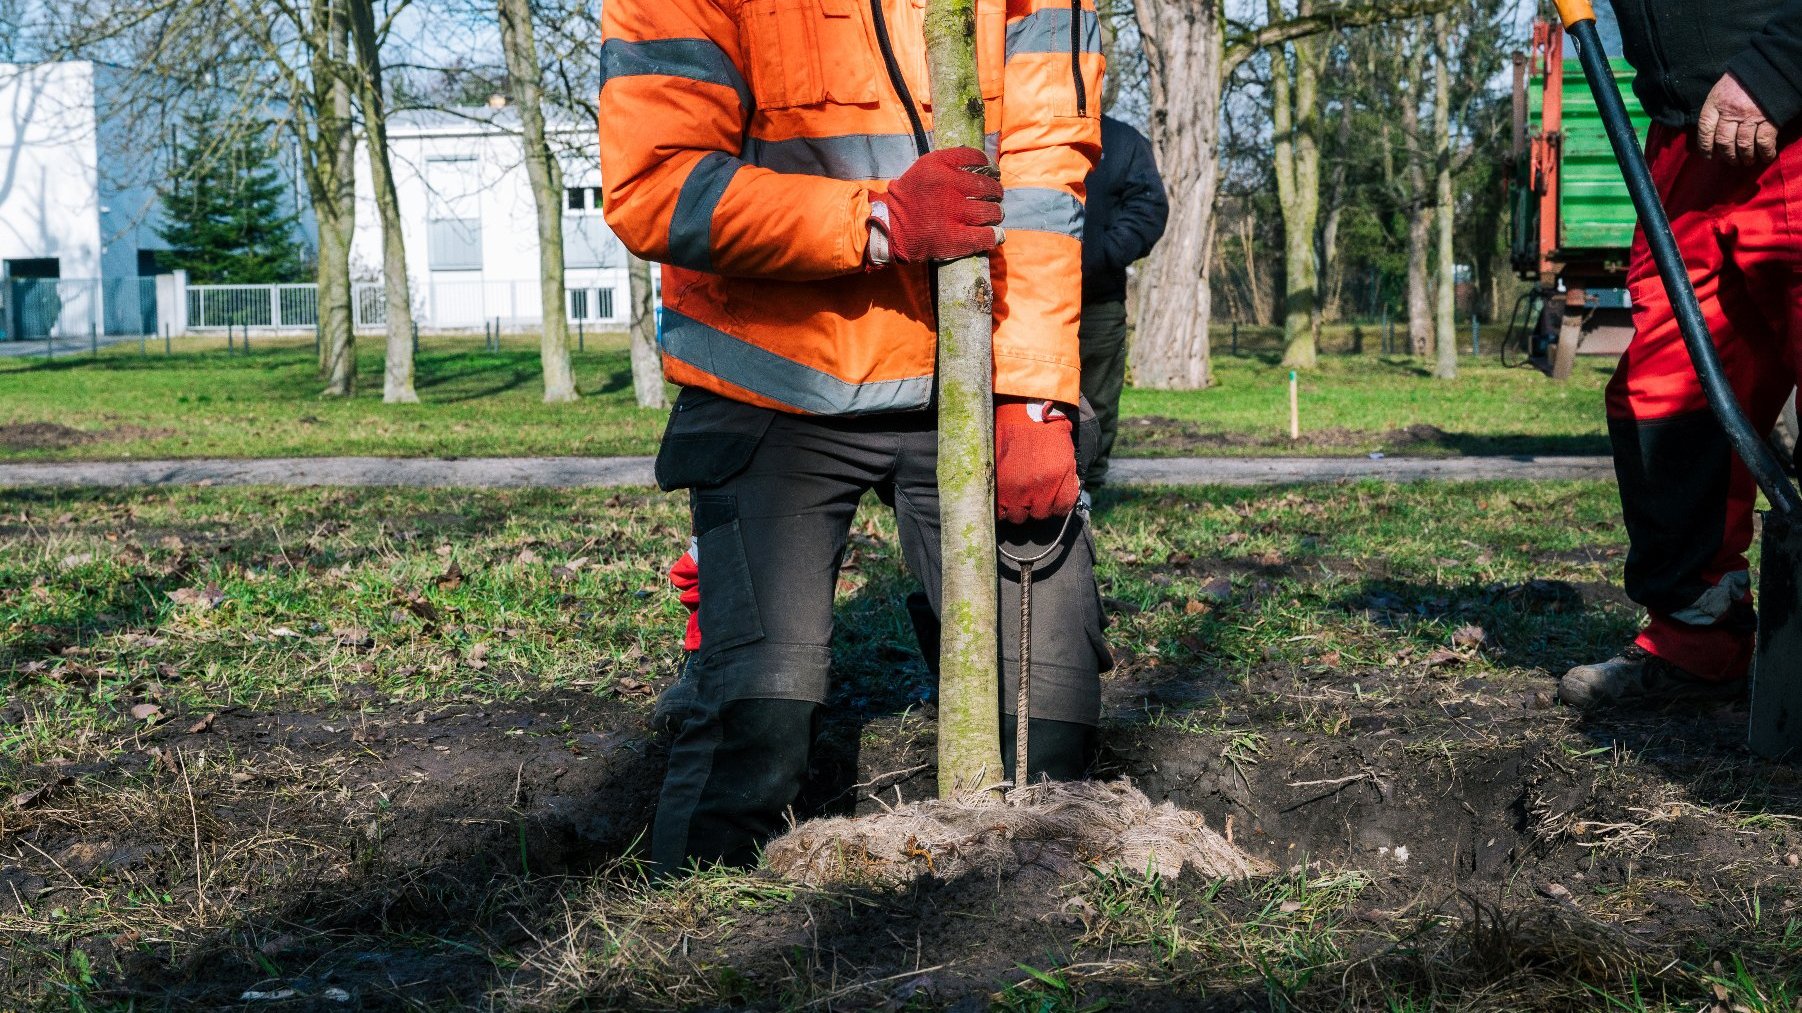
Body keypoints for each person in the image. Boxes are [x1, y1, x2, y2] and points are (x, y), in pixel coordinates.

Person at [600, 0, 1111, 872]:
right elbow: (654, 185)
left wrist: (1032, 395)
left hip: (971, 376)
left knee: (1049, 735)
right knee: (754, 731)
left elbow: (1042, 168)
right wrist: (876, 221)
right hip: (770, 383)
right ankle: (685, 941)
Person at [1559, 1, 1802, 709]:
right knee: (1668, 393)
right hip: (1689, 137)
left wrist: (1779, 67)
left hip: (1787, 112)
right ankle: (1700, 639)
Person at [1078, 114, 1167, 496]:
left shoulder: (1121, 141)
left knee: (1097, 406)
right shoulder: (1023, 127)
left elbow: (1149, 208)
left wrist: (1103, 253)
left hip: (1098, 301)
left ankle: (1086, 495)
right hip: (1019, 299)